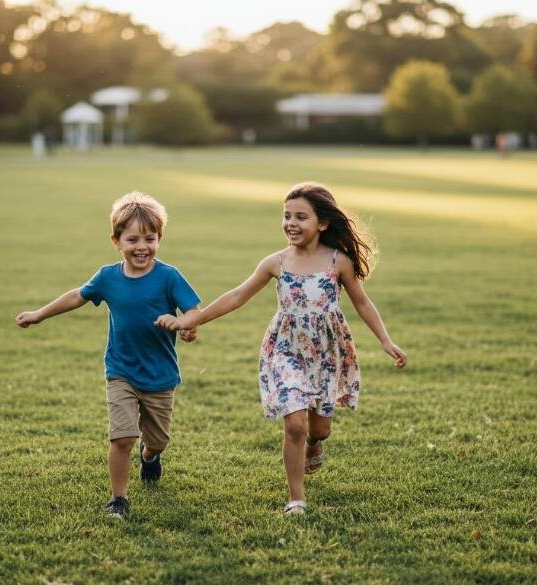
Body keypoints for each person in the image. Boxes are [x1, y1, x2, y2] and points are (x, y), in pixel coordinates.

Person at [155, 182, 406, 515]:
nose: (291, 223)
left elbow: (362, 302)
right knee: (295, 423)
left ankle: (315, 445)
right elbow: (236, 296)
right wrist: (193, 319)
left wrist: (386, 341)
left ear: (323, 223)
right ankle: (296, 498)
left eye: (301, 217)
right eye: (286, 216)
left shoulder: (338, 261)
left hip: (326, 353)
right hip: (285, 349)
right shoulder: (276, 262)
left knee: (318, 429)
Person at [15, 192, 201, 519]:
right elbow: (77, 296)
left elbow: (193, 311)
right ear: (116, 241)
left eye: (150, 238)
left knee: (156, 441)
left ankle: (151, 457)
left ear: (159, 239)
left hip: (160, 375)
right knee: (123, 436)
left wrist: (186, 325)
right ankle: (118, 499)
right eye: (132, 239)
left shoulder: (169, 276)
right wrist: (40, 313)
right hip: (121, 371)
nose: (142, 246)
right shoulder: (108, 277)